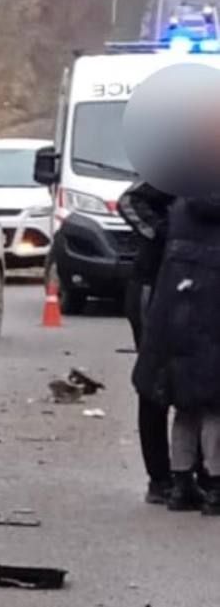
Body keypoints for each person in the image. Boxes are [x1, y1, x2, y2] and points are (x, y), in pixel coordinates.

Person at [132, 191, 220, 514]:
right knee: (214, 405)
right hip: (213, 314)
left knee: (185, 402)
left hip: (176, 309)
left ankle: (179, 484)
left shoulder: (181, 204)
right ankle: (215, 484)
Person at [118, 181, 174, 502]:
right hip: (152, 285)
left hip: (201, 285)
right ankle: (160, 477)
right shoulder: (179, 167)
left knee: (201, 379)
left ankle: (195, 472)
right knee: (156, 381)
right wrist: (164, 234)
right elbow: (130, 202)